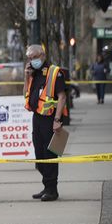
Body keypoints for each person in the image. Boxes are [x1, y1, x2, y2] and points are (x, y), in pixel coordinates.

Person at [23, 45, 67, 201]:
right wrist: (27, 77)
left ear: (42, 55)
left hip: (50, 119)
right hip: (37, 117)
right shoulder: (34, 73)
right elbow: (26, 94)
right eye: (29, 58)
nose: (31, 61)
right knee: (39, 155)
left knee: (50, 155)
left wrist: (57, 120)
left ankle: (52, 190)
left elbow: (62, 97)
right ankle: (47, 186)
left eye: (34, 57)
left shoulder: (55, 72)